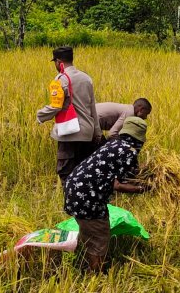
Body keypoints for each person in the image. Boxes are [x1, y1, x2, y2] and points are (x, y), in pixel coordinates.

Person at [65, 116, 149, 272]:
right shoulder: (129, 151)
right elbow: (118, 185)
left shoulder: (114, 144)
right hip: (88, 197)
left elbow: (120, 172)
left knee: (89, 230)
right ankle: (96, 273)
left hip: (74, 188)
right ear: (140, 138)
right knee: (100, 235)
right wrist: (143, 188)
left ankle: (86, 260)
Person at [37, 46, 102, 189]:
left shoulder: (60, 80)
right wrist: (97, 132)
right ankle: (85, 202)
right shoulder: (86, 78)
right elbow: (93, 108)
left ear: (58, 62)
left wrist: (40, 115)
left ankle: (71, 202)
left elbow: (56, 106)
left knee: (66, 172)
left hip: (69, 132)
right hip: (87, 133)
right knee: (84, 171)